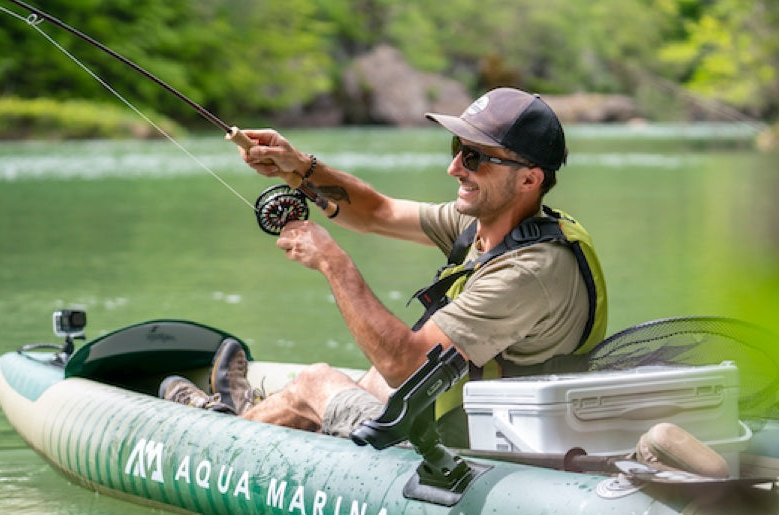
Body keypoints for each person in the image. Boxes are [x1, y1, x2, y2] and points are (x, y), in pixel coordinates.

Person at [160, 87, 608, 446]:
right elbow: (377, 213)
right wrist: (297, 167)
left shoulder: (529, 270)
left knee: (317, 381)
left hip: (466, 444)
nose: (454, 167)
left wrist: (333, 263)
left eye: (474, 157)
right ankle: (236, 414)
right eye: (457, 148)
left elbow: (407, 365)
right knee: (357, 381)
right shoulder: (490, 222)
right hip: (461, 414)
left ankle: (213, 432)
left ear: (529, 179)